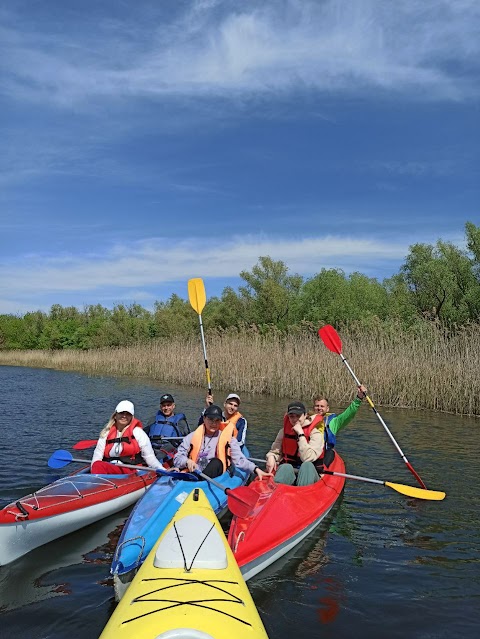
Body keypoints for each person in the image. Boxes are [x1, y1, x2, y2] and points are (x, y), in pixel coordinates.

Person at [265, 385, 367, 486]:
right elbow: (276, 450)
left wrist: (358, 399)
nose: (319, 408)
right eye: (317, 406)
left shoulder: (333, 423)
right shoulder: (291, 427)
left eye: (322, 406)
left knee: (313, 462)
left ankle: (318, 477)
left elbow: (349, 414)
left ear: (327, 409)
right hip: (295, 461)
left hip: (318, 456)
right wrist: (272, 457)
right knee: (286, 467)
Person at [175, 404, 269, 480]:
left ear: (221, 421)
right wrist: (187, 461)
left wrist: (256, 469)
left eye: (217, 421)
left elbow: (239, 460)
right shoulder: (192, 436)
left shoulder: (229, 439)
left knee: (216, 462)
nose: (214, 424)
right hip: (192, 472)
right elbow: (177, 458)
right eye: (210, 420)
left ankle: (198, 481)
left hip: (212, 476)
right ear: (204, 419)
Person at [91, 400, 165, 474]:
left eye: (128, 414)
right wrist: (92, 470)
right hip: (111, 468)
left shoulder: (138, 432)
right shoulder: (106, 433)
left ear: (131, 417)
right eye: (121, 413)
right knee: (97, 464)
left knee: (98, 465)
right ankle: (97, 481)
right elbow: (97, 456)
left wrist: (162, 470)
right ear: (115, 415)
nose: (124, 416)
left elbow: (149, 457)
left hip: (130, 470)